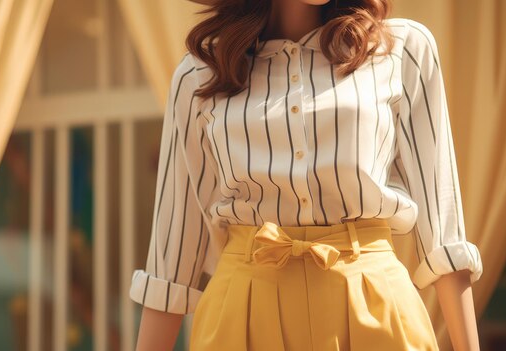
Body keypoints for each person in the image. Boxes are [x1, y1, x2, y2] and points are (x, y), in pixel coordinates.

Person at [129, 0, 484, 350]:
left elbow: (444, 236)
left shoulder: (402, 49)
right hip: (243, 315)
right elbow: (172, 258)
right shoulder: (200, 75)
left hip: (376, 308)